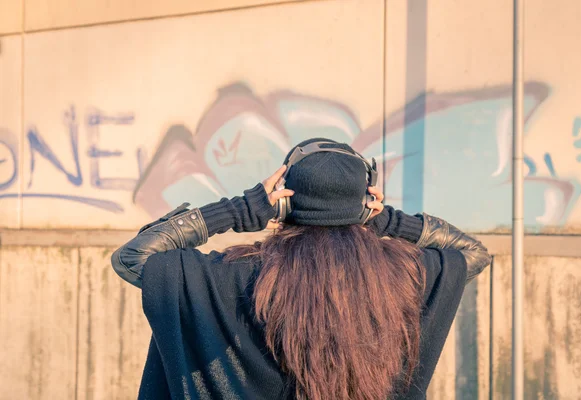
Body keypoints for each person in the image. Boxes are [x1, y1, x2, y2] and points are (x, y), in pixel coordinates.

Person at [112, 138, 491, 400]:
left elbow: (133, 259)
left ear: (283, 205)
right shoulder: (402, 275)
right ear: (363, 202)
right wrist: (388, 220)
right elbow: (473, 254)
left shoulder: (241, 276)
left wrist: (241, 210)